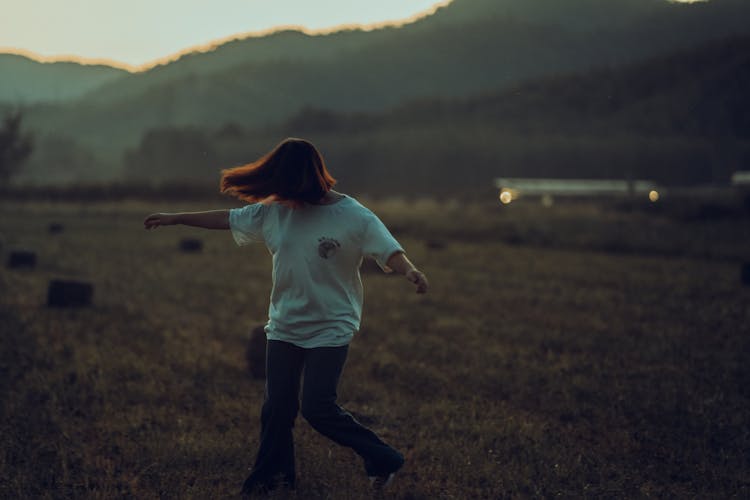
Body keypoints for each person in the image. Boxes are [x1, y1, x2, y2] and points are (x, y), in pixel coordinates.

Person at [143, 138, 428, 496]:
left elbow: (387, 247)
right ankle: (272, 479)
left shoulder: (353, 214)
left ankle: (383, 457)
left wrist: (410, 271)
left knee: (318, 407)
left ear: (305, 179)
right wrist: (176, 219)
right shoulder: (274, 210)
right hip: (284, 324)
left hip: (332, 324)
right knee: (276, 410)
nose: (281, 194)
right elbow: (225, 218)